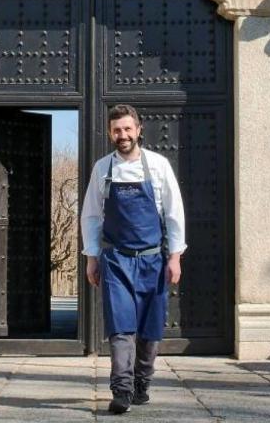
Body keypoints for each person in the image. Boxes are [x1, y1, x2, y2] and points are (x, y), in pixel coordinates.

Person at [80, 104, 186, 415]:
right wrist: (91, 257)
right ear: (110, 133)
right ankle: (122, 390)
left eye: (128, 129)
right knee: (121, 327)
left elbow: (174, 213)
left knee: (151, 329)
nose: (122, 135)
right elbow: (90, 216)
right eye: (117, 130)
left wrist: (175, 257)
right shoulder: (102, 169)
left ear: (138, 130)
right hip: (116, 260)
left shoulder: (158, 166)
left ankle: (142, 382)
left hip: (153, 260)